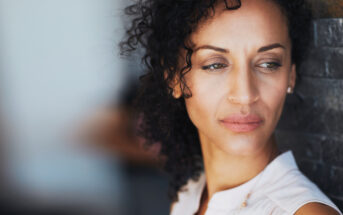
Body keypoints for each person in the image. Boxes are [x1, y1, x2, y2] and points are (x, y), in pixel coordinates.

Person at [120, 0, 342, 214]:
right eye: (215, 65)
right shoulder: (188, 197)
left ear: (290, 76)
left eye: (268, 64)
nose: (245, 95)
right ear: (174, 79)